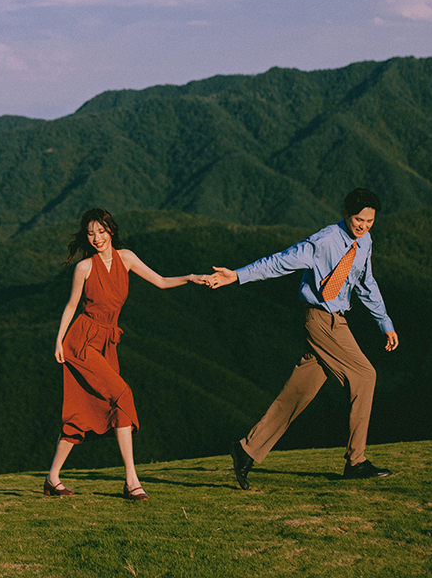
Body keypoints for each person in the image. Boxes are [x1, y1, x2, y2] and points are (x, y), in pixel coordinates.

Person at [206, 188, 400, 486]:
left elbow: (366, 283)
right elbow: (279, 262)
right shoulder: (323, 242)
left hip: (337, 319)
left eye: (370, 221)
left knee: (298, 393)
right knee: (366, 375)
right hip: (321, 320)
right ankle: (356, 461)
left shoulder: (365, 242)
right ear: (345, 214)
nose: (363, 226)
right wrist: (238, 275)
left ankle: (246, 449)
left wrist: (384, 322)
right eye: (359, 219)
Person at [44, 208, 206, 500]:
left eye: (101, 232)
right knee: (123, 395)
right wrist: (58, 342)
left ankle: (52, 479)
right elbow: (71, 306)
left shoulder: (126, 258)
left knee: (83, 412)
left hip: (107, 342)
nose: (96, 238)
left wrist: (191, 277)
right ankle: (132, 481)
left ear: (111, 231)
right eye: (91, 233)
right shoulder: (85, 268)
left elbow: (160, 281)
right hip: (81, 342)